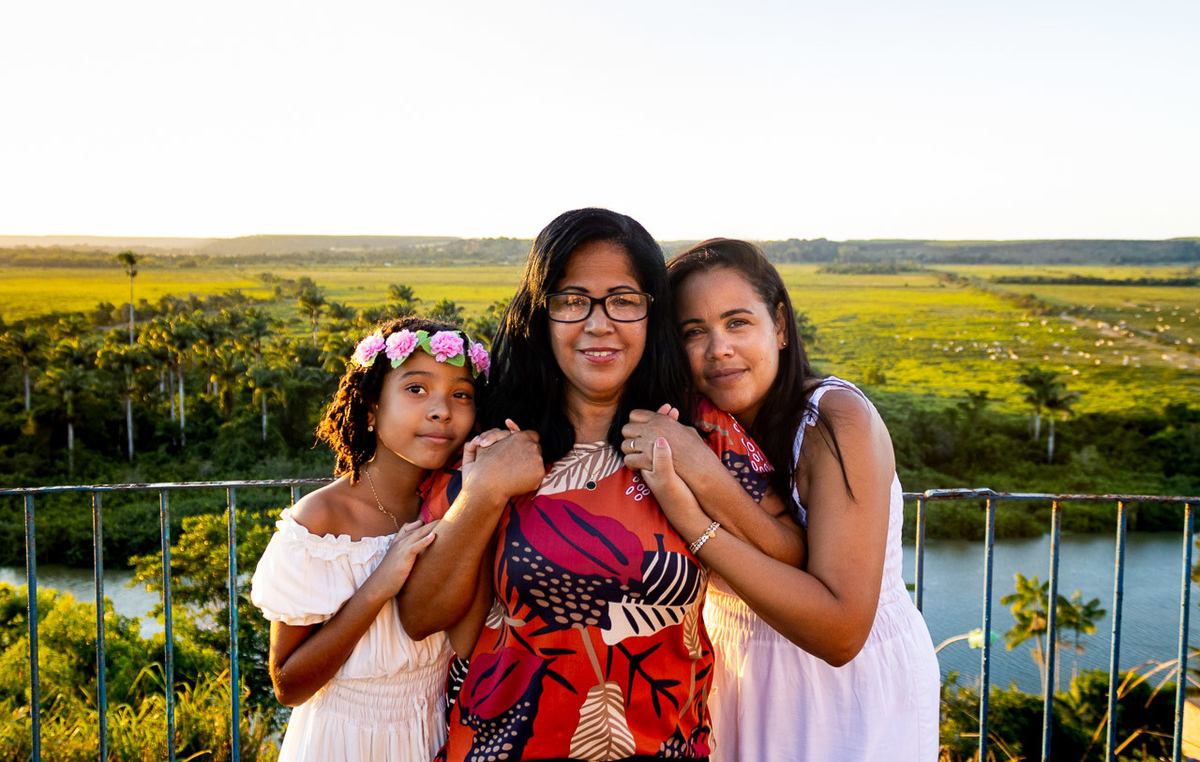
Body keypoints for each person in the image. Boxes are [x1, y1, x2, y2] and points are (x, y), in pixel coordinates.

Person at [398, 208, 796, 762]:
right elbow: (421, 616)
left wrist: (699, 472)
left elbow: (791, 557)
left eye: (624, 300)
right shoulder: (492, 439)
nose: (599, 323)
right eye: (571, 300)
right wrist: (483, 493)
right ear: (542, 316)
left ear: (651, 316)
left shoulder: (700, 431)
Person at [621, 238, 940, 761]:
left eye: (737, 322)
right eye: (693, 332)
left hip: (843, 697)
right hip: (734, 677)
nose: (718, 348)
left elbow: (840, 632)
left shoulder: (835, 420)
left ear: (781, 326)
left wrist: (698, 494)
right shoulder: (693, 423)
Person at [249, 317, 491, 762]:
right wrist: (379, 585)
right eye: (416, 389)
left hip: (432, 732)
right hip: (343, 742)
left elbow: (466, 641)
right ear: (371, 408)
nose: (442, 410)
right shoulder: (321, 519)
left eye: (461, 394)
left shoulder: (458, 506)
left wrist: (481, 503)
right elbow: (288, 686)